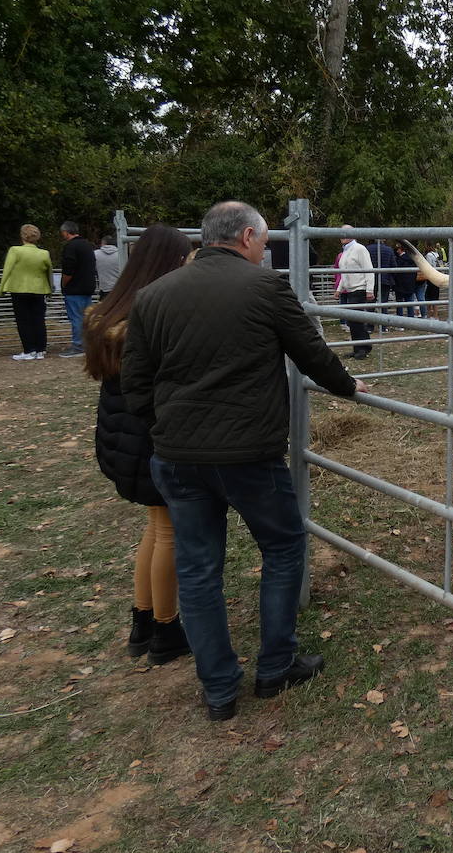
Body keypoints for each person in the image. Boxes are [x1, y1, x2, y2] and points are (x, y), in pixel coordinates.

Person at [120, 201, 369, 721]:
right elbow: (311, 352)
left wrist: (167, 428)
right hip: (248, 456)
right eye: (264, 242)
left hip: (178, 457)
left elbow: (135, 384)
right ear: (249, 238)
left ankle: (218, 688)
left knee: (198, 567)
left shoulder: (152, 296)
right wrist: (348, 387)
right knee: (282, 548)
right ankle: (276, 666)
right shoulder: (264, 288)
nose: (265, 250)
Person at [84, 224, 194, 665]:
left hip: (120, 437)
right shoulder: (150, 319)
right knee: (170, 532)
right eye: (184, 259)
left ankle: (143, 620)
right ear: (168, 264)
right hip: (149, 438)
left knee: (155, 528)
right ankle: (166, 631)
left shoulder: (108, 315)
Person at [0, 224, 54, 360]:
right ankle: (41, 350)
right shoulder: (44, 253)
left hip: (19, 289)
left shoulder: (15, 250)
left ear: (22, 236)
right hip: (39, 290)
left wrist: (2, 288)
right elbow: (49, 272)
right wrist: (50, 289)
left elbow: (7, 270)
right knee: (39, 319)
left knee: (23, 320)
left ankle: (29, 350)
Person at [335, 226, 376, 359]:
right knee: (353, 320)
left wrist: (369, 290)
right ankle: (359, 347)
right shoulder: (345, 251)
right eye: (341, 233)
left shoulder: (359, 249)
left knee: (355, 320)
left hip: (359, 288)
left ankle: (363, 348)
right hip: (350, 289)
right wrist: (339, 289)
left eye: (346, 233)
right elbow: (344, 273)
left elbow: (368, 269)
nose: (343, 236)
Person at [59, 221, 97, 357]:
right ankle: (88, 344)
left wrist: (64, 283)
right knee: (86, 317)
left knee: (76, 317)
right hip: (88, 286)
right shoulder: (88, 245)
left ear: (65, 232)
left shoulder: (71, 247)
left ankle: (78, 346)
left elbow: (68, 269)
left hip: (75, 288)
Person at [370, 238, 398, 327]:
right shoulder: (389, 250)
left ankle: (370, 326)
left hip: (371, 279)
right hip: (385, 279)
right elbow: (394, 265)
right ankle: (383, 326)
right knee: (384, 302)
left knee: (370, 302)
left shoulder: (368, 249)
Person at [392, 243, 417, 319]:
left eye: (397, 249)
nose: (396, 251)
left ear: (400, 249)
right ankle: (411, 319)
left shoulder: (398, 260)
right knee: (410, 302)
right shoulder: (411, 259)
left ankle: (400, 320)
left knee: (399, 303)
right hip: (410, 284)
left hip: (400, 285)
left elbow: (396, 273)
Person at [95, 235, 121, 300]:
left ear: (103, 243)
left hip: (104, 289)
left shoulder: (95, 254)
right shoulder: (121, 254)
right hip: (119, 289)